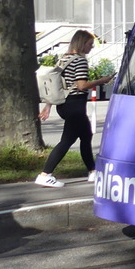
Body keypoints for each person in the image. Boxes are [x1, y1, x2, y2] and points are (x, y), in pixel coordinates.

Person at [35, 31, 113, 188]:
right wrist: (102, 80)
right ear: (82, 43)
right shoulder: (80, 61)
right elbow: (81, 85)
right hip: (75, 104)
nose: (91, 48)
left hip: (64, 104)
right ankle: (45, 174)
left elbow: (56, 84)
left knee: (86, 135)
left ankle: (93, 172)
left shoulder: (64, 58)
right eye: (90, 44)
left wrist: (49, 106)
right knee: (67, 140)